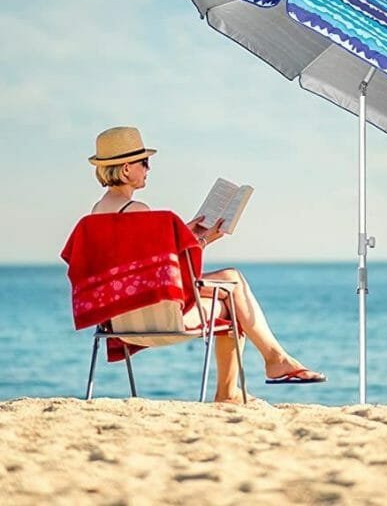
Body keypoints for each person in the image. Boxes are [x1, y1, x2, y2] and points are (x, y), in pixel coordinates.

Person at [88, 126, 326, 403]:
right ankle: (253, 374)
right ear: (127, 169)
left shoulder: (96, 215)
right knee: (232, 297)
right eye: (145, 163)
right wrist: (200, 241)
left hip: (119, 321)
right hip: (158, 320)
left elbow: (135, 269)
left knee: (231, 283)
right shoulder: (139, 212)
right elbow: (162, 276)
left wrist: (190, 236)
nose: (148, 169)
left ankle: (268, 364)